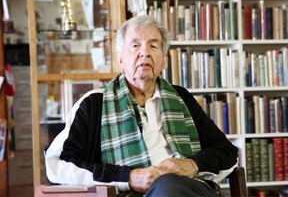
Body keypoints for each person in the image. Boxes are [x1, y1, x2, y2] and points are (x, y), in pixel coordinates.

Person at [45, 15, 239, 196]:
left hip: (187, 189)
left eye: (153, 46)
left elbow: (227, 153)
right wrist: (127, 177)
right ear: (120, 58)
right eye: (135, 45)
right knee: (166, 186)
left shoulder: (182, 99)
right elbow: (58, 165)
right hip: (128, 192)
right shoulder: (93, 104)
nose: (144, 52)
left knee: (169, 185)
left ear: (164, 60)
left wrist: (193, 165)